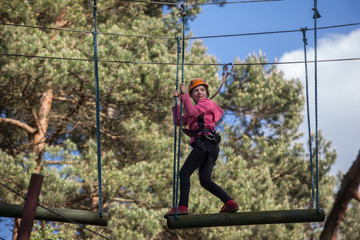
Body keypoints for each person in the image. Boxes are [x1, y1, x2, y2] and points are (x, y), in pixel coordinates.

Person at [164, 78, 239, 219]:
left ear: (206, 93)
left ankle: (182, 206)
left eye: (202, 90)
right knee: (205, 181)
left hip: (205, 143)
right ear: (192, 96)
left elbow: (191, 113)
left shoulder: (206, 103)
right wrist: (179, 103)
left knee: (184, 173)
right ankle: (230, 202)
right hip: (209, 147)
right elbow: (179, 121)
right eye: (195, 91)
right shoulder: (196, 109)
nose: (199, 92)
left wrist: (185, 94)